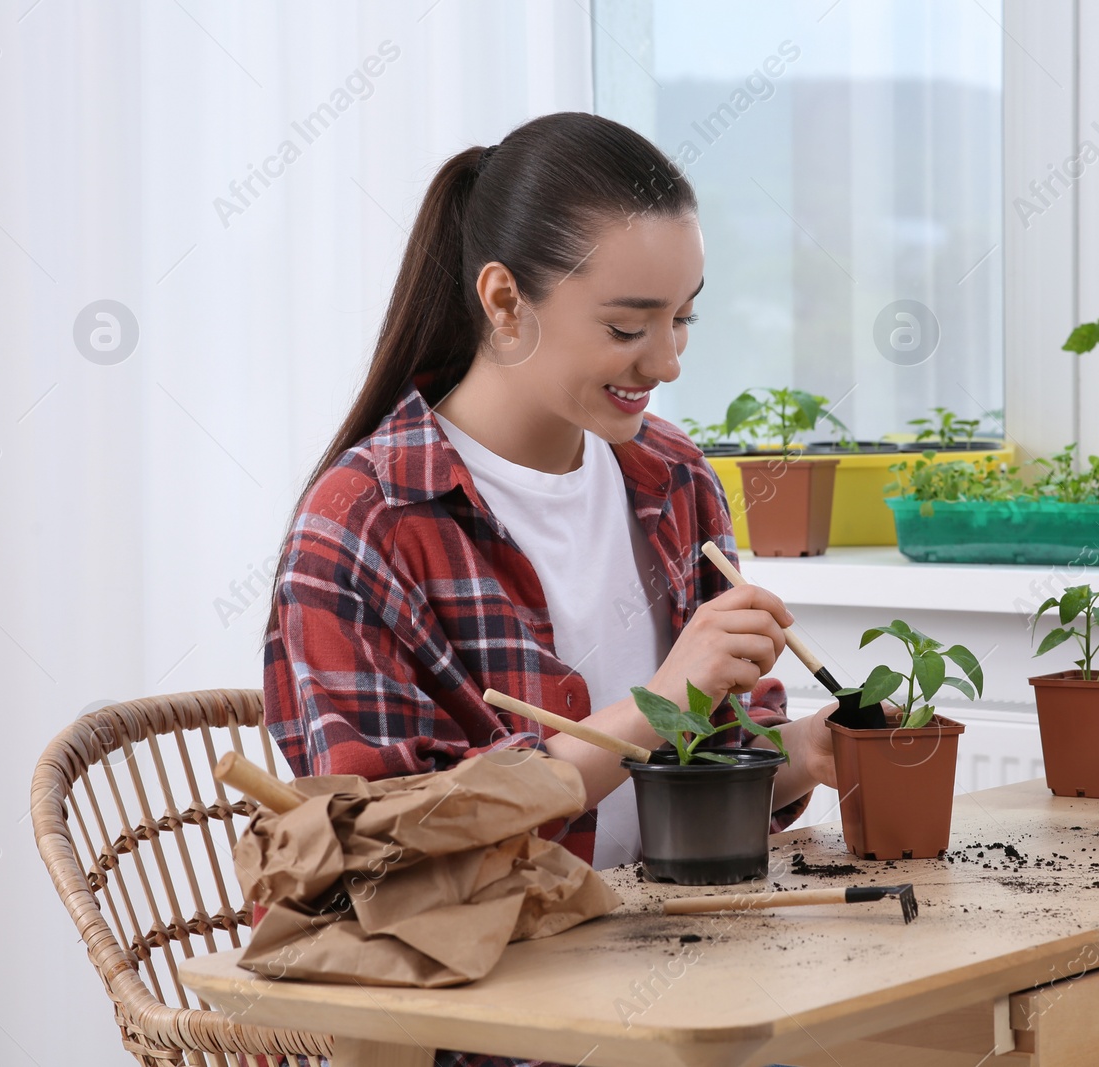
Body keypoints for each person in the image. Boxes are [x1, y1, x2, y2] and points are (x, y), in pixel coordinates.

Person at [262, 111, 840, 1067]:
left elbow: (710, 764)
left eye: (683, 315)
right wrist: (657, 705)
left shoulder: (673, 480)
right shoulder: (368, 521)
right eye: (627, 325)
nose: (667, 361)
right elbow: (383, 857)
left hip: (685, 992)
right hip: (491, 1026)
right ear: (503, 301)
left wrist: (811, 751)